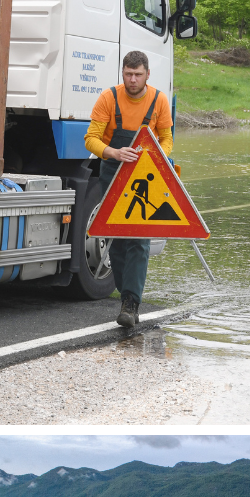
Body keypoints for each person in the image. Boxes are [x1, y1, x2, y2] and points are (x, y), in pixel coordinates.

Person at [84, 50, 173, 328]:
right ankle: (126, 299)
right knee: (118, 240)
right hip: (113, 173)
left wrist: (156, 156)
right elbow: (91, 139)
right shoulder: (108, 98)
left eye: (138, 74)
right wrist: (113, 152)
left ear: (148, 74)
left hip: (147, 176)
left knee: (139, 238)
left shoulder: (159, 100)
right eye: (128, 74)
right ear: (122, 73)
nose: (132, 79)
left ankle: (131, 302)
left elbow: (167, 139)